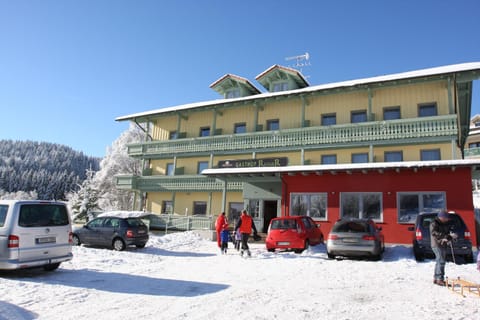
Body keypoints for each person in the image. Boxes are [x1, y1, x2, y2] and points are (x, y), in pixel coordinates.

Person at [430, 210, 456, 286]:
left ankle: (436, 278)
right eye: (446, 218)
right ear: (442, 217)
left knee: (439, 260)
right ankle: (439, 279)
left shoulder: (445, 223)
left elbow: (448, 232)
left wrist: (450, 236)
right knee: (441, 261)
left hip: (443, 244)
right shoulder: (434, 223)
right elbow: (434, 233)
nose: (447, 219)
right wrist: (444, 236)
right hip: (437, 244)